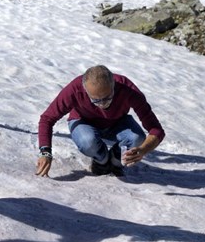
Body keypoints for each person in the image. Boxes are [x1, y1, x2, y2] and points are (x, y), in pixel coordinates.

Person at [35, 65, 165, 178]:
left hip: (117, 122)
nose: (103, 104)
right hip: (83, 121)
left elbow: (156, 129)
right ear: (85, 89)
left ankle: (115, 160)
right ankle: (101, 160)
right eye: (96, 100)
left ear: (114, 85)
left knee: (137, 138)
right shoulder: (74, 89)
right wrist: (45, 152)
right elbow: (47, 119)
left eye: (108, 98)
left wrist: (143, 150)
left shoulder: (127, 89)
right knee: (88, 141)